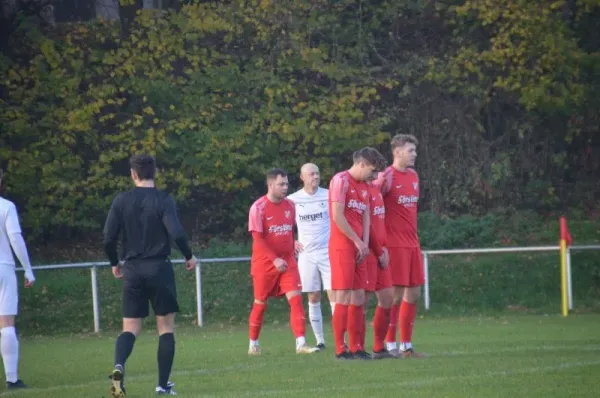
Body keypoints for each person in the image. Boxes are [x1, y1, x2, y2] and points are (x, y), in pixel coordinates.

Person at [103, 154, 198, 397]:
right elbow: (176, 233)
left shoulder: (121, 201)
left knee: (130, 328)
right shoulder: (163, 200)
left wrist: (115, 263)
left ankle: (118, 367)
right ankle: (162, 385)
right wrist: (189, 256)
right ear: (155, 173)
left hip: (132, 270)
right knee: (165, 328)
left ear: (133, 174)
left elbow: (108, 238)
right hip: (159, 268)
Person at [247, 168, 319, 356]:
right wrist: (274, 258)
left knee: (296, 300)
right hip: (264, 264)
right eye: (281, 184)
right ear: (270, 185)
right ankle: (253, 343)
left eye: (286, 184)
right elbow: (258, 239)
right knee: (260, 303)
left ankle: (301, 343)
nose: (285, 187)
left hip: (287, 261)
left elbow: (288, 230)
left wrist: (292, 241)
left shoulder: (290, 206)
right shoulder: (258, 207)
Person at [328, 147, 387, 360]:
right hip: (342, 246)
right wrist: (355, 240)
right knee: (343, 295)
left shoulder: (365, 186)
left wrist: (364, 243)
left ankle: (357, 347)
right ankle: (340, 349)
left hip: (359, 246)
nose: (374, 176)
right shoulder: (340, 180)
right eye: (372, 170)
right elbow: (337, 215)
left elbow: (366, 217)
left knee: (360, 296)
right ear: (361, 164)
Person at [374, 134, 426, 358]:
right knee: (393, 296)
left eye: (415, 150)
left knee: (413, 293)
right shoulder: (385, 177)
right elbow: (373, 207)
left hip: (413, 243)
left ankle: (406, 346)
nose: (414, 154)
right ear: (397, 152)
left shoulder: (414, 176)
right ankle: (389, 345)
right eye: (410, 150)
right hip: (394, 245)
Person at [287, 163, 335, 350]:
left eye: (317, 173)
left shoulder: (328, 194)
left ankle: (342, 340)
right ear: (302, 177)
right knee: (313, 296)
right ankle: (320, 340)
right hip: (306, 254)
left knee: (334, 294)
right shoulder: (293, 200)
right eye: (311, 174)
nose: (315, 177)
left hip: (327, 251)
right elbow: (284, 222)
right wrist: (291, 241)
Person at [0, 168, 35, 389]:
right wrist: (28, 269)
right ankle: (12, 379)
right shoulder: (6, 206)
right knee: (6, 323)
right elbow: (15, 238)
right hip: (3, 267)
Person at [363, 176, 397, 359]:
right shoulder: (360, 192)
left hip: (381, 251)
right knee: (363, 301)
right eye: (374, 169)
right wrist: (377, 249)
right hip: (368, 251)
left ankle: (378, 347)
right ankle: (356, 348)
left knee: (387, 297)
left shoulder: (376, 190)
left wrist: (384, 247)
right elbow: (364, 225)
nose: (377, 174)